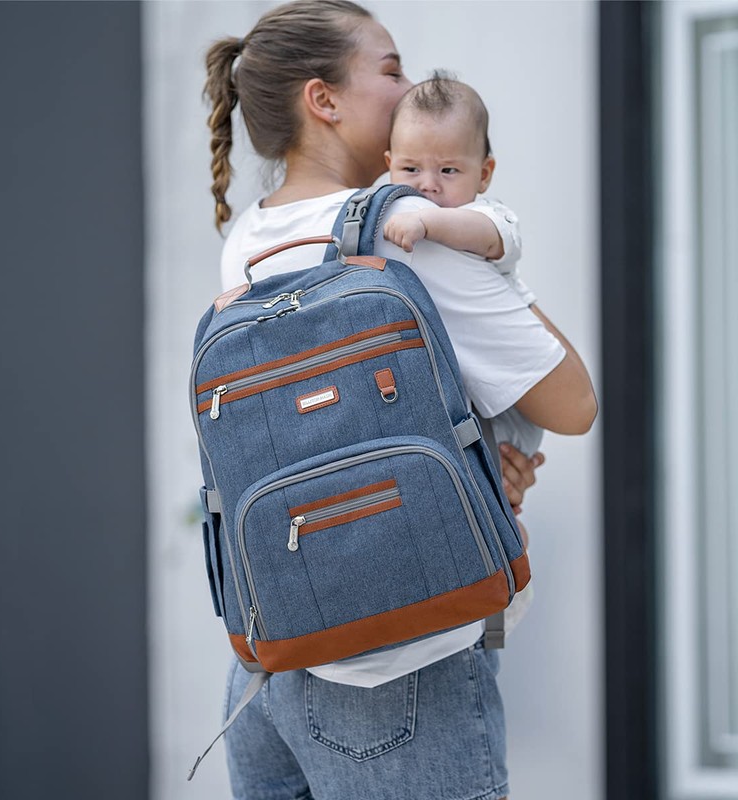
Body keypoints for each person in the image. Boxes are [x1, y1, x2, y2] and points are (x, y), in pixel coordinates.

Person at [205, 2, 597, 798]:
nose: (409, 86)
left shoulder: (248, 237)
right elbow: (573, 401)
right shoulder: (407, 232)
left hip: (271, 661)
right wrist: (494, 266)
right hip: (400, 671)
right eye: (389, 69)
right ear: (324, 100)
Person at [383, 73, 545, 632]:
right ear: (388, 164)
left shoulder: (489, 218)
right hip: (472, 388)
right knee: (475, 489)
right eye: (410, 170)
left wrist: (424, 221)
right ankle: (499, 562)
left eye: (449, 171)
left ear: (484, 173)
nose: (428, 186)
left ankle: (507, 573)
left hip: (510, 399)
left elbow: (480, 234)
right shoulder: (393, 211)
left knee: (489, 482)